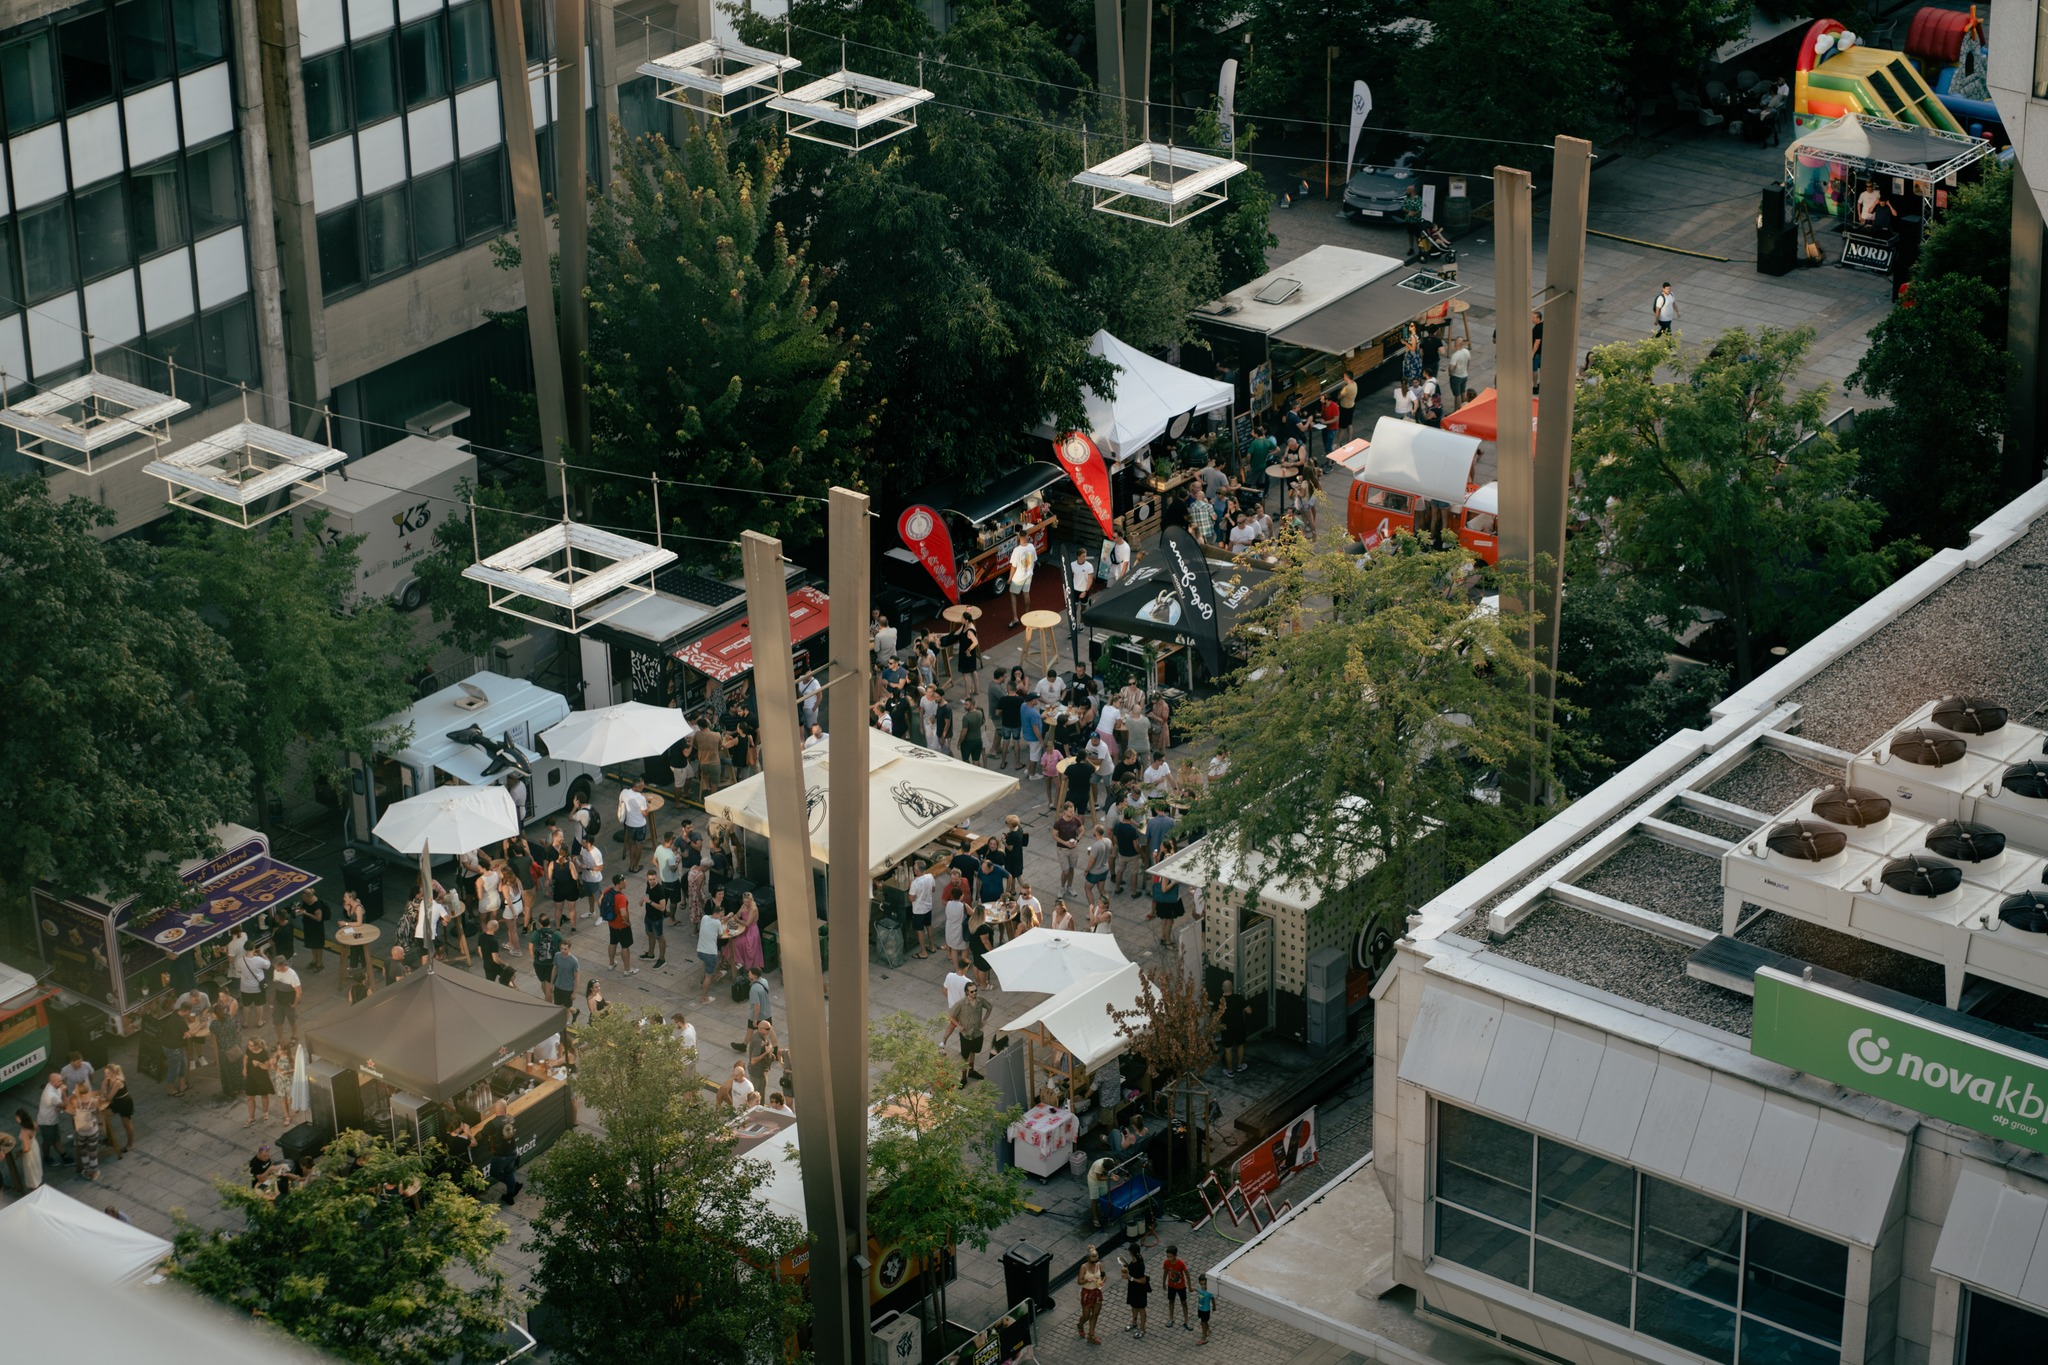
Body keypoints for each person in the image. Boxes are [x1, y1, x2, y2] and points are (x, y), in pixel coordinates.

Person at [945, 982, 994, 1087]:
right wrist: (958, 1025)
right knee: (964, 1057)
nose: (974, 993)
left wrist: (984, 1020)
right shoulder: (961, 1004)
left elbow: (990, 1007)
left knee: (973, 1052)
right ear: (967, 992)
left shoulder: (980, 1001)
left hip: (977, 1033)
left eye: (976, 990)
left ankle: (971, 1071)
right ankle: (963, 1077)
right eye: (972, 991)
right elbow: (949, 1015)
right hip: (966, 1034)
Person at [482, 1100, 520, 1203]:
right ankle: (510, 1195)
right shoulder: (511, 1119)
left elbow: (483, 1133)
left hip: (501, 1154)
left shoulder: (492, 1124)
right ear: (505, 1108)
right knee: (509, 1172)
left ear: (495, 1109)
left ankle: (511, 1186)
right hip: (512, 1151)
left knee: (494, 1172)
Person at [66, 1081, 105, 1181]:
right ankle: (94, 1171)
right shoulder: (94, 1101)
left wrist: (74, 1094)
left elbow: (67, 1104)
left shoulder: (76, 1101)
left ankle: (86, 1170)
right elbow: (100, 1108)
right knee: (93, 1150)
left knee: (83, 1150)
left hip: (81, 1130)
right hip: (92, 1129)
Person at [722, 892, 765, 974]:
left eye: (748, 902)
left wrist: (738, 920)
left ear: (751, 900)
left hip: (751, 932)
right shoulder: (744, 905)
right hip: (744, 930)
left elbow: (748, 923)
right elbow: (737, 915)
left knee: (736, 944)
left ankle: (739, 963)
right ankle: (736, 962)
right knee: (732, 943)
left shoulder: (754, 909)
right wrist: (734, 916)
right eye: (744, 902)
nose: (746, 904)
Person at [1217, 975, 1252, 1073]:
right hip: (1239, 1026)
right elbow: (1249, 1011)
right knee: (1240, 1045)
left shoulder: (1220, 1001)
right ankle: (1239, 1066)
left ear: (1222, 988)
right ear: (1232, 987)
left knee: (1228, 1049)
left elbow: (1215, 1016)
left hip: (1226, 1028)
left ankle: (1230, 1071)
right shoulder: (1239, 998)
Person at [695, 902, 727, 1004]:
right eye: (721, 916)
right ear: (716, 914)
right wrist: (722, 923)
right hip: (710, 954)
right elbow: (721, 935)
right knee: (709, 976)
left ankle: (703, 981)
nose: (721, 918)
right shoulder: (717, 923)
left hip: (700, 951)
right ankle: (704, 997)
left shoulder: (704, 918)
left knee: (706, 968)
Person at [100, 1063, 134, 1157]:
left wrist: (104, 1089)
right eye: (105, 1073)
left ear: (113, 1073)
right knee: (103, 1115)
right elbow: (103, 1088)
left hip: (124, 1103)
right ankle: (110, 1138)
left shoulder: (118, 1081)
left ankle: (130, 1144)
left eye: (108, 1073)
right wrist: (104, 1085)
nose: (106, 1075)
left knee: (126, 1124)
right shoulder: (109, 1078)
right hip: (117, 1101)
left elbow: (109, 1097)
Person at [242, 1038, 276, 1126]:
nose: (248, 1046)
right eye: (248, 1045)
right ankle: (251, 1117)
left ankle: (265, 1112)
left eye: (250, 1045)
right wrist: (244, 1068)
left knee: (264, 1095)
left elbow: (267, 1067)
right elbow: (245, 1058)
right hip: (251, 1076)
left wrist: (259, 1064)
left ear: (256, 1046)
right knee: (250, 1097)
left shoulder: (263, 1053)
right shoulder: (249, 1050)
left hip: (261, 1077)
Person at [908, 860, 938, 960]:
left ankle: (923, 952)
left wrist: (910, 890)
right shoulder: (930, 877)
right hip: (928, 906)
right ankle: (932, 946)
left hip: (918, 910)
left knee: (920, 930)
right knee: (929, 926)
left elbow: (911, 899)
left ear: (917, 871)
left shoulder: (915, 883)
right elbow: (933, 890)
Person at [1077, 1246, 1107, 1343]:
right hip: (1087, 1292)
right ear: (1088, 1258)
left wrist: (1102, 1281)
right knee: (1086, 1316)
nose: (1095, 1261)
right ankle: (1080, 1325)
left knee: (1095, 1314)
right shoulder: (1084, 1267)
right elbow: (1079, 1281)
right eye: (1093, 1260)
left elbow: (1104, 1276)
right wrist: (1087, 1280)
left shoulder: (1099, 1265)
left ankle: (1091, 1334)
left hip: (1097, 1292)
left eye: (1096, 1259)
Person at [1006, 535, 1037, 627]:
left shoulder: (1017, 550)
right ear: (1027, 537)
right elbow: (1034, 561)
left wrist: (1010, 578)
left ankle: (1015, 618)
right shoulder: (1031, 547)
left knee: (1012, 594)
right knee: (1026, 594)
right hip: (1029, 574)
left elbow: (1013, 566)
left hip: (1018, 577)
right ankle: (1027, 615)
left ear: (1019, 538)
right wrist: (1031, 570)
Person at [620, 778, 651, 872]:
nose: (643, 786)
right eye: (642, 785)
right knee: (638, 845)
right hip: (639, 825)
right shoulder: (640, 798)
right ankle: (636, 866)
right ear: (636, 787)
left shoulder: (624, 792)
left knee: (631, 845)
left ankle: (631, 864)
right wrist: (648, 808)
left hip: (629, 824)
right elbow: (645, 814)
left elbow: (621, 803)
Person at [641, 871, 670, 968]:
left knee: (659, 937)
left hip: (656, 918)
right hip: (648, 915)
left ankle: (662, 959)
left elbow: (662, 907)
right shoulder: (648, 884)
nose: (652, 881)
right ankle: (650, 954)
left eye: (653, 879)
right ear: (647, 878)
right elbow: (647, 893)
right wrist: (643, 899)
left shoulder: (660, 890)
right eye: (650, 879)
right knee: (649, 933)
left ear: (656, 878)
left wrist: (649, 902)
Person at [296, 888, 328, 972]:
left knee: (318, 946)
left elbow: (318, 918)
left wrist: (306, 913)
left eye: (304, 899)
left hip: (316, 928)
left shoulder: (317, 905)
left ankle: (319, 962)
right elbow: (303, 907)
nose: (303, 900)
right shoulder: (306, 902)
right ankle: (314, 960)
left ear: (309, 898)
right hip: (309, 927)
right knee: (312, 944)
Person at [271, 958, 302, 1045]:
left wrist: (295, 1003)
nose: (275, 968)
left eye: (277, 966)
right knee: (277, 1021)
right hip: (278, 1000)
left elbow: (299, 991)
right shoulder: (276, 971)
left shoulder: (292, 975)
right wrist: (273, 999)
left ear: (283, 965)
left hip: (289, 1002)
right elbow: (276, 985)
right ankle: (280, 1040)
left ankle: (294, 1036)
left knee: (292, 1020)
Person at [1162, 1246, 1191, 1329]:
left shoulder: (1181, 1264)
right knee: (1171, 1301)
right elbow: (1165, 1272)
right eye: (1168, 1256)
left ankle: (1186, 1320)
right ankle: (1171, 1318)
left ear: (1175, 1255)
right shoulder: (1166, 1263)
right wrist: (1164, 1282)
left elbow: (1187, 1274)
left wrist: (1189, 1286)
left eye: (1170, 1256)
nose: (1169, 1258)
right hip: (1171, 1286)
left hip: (1181, 1286)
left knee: (1184, 1302)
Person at [1124, 1248, 1151, 1337]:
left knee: (1141, 1308)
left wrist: (1130, 1278)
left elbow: (1143, 1281)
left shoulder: (1139, 1264)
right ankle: (1134, 1322)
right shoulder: (1134, 1260)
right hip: (1133, 1288)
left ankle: (1142, 1329)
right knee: (1133, 1306)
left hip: (1139, 1289)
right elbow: (1132, 1269)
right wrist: (1126, 1265)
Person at [12, 1108, 42, 1190]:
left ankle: (34, 1187)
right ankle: (37, 1182)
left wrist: (19, 1152)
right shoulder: (33, 1124)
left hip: (30, 1154)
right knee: (36, 1167)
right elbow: (36, 1128)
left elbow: (26, 1148)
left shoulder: (25, 1131)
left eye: (17, 1117)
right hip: (34, 1146)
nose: (16, 1119)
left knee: (31, 1170)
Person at [552, 942, 580, 1011]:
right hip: (558, 986)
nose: (563, 951)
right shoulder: (557, 956)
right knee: (558, 1006)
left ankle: (566, 1021)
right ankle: (574, 1012)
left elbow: (577, 977)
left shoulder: (574, 961)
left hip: (568, 988)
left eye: (565, 949)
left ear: (569, 949)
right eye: (561, 948)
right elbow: (554, 969)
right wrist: (551, 983)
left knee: (567, 1008)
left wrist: (574, 992)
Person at [1195, 1273, 1216, 1343]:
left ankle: (1204, 1338)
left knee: (1203, 1323)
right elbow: (1197, 1290)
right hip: (1200, 1308)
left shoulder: (1209, 1291)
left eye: (1205, 1284)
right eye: (1201, 1284)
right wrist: (1192, 1289)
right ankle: (1208, 1329)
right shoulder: (1200, 1289)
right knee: (1204, 1322)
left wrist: (1214, 1306)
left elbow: (1212, 1299)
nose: (1203, 1286)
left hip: (1206, 1310)